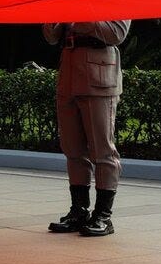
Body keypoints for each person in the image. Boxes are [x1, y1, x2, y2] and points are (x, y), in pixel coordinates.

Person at [42, 20, 132, 237]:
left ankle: (103, 215)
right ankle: (79, 211)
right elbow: (51, 37)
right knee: (72, 149)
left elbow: (117, 33)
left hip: (99, 73)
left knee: (102, 150)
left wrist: (78, 18)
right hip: (69, 73)